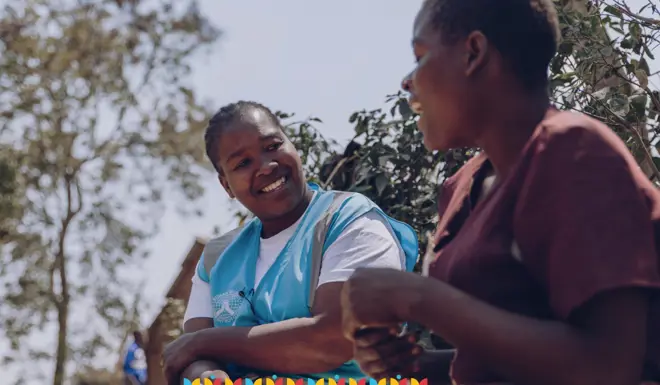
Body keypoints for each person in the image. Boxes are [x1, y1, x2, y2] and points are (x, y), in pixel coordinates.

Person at [339, 1, 660, 384]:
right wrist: (412, 363)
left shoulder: (574, 151)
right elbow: (502, 356)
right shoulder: (461, 187)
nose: (407, 82)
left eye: (420, 56)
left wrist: (418, 298)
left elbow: (607, 367)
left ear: (473, 53)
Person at [161, 101, 419, 383]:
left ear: (291, 144)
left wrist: (204, 342)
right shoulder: (217, 259)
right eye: (242, 163)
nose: (266, 166)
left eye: (272, 146)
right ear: (226, 186)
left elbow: (336, 339)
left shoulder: (351, 221)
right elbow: (190, 357)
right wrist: (211, 377)